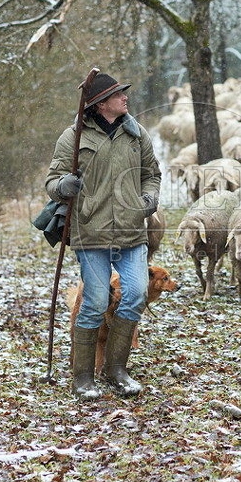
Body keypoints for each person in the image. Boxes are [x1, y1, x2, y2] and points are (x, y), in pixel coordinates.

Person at [45, 71, 162, 400]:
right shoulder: (74, 137)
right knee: (95, 301)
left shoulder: (137, 134)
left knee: (137, 294)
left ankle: (116, 370)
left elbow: (152, 174)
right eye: (118, 94)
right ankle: (83, 377)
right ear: (99, 104)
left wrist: (149, 199)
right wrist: (63, 187)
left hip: (131, 229)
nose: (126, 98)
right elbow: (52, 181)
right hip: (90, 231)